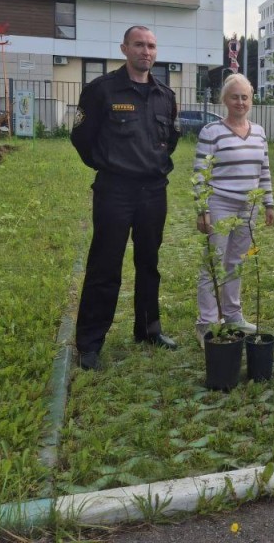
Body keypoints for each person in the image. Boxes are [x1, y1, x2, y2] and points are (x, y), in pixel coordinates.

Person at [71, 25, 181, 371]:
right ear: (124, 48)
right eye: (138, 44)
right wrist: (110, 166)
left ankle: (148, 329)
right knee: (105, 266)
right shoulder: (101, 91)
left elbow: (171, 140)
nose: (145, 51)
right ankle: (89, 344)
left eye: (151, 45)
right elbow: (82, 139)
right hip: (114, 191)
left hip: (153, 191)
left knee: (149, 263)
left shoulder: (165, 95)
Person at [193, 74, 274, 344]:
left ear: (251, 100)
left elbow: (264, 170)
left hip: (248, 208)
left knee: (237, 263)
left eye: (245, 97)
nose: (240, 102)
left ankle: (233, 314)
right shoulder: (211, 132)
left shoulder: (260, 132)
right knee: (214, 263)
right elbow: (200, 174)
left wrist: (268, 202)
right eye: (234, 97)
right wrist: (202, 209)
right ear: (224, 100)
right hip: (219, 204)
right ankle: (206, 322)